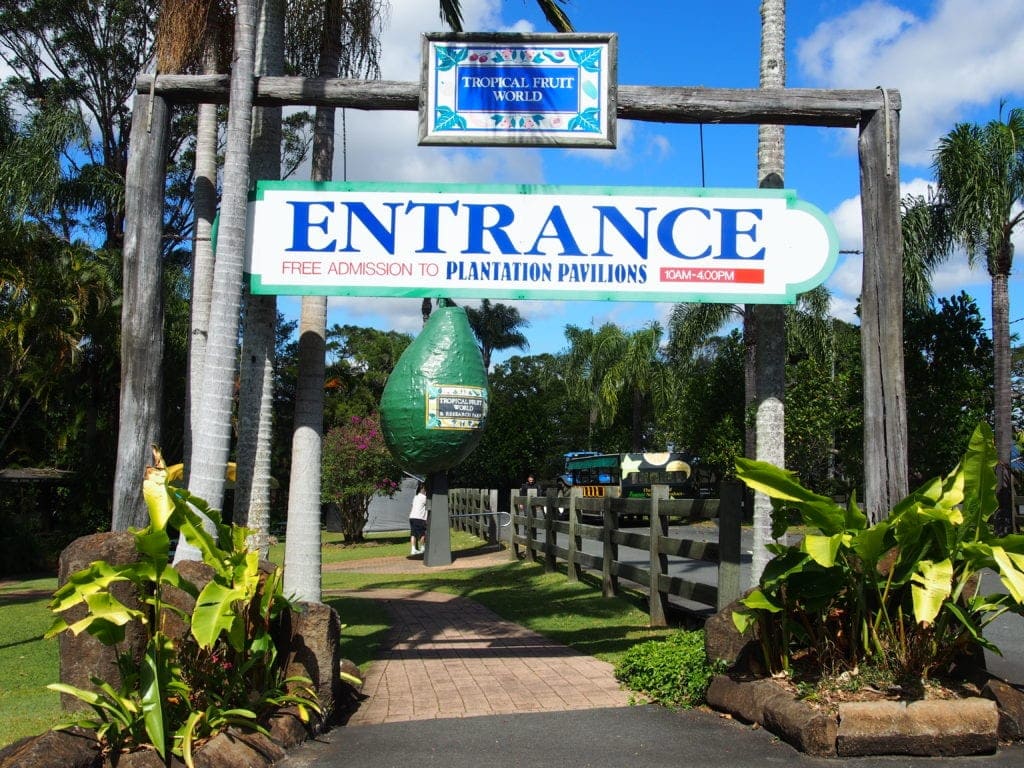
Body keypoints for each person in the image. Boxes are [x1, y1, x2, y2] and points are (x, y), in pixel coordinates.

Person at [409, 481, 428, 555]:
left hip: (412, 517)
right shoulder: (424, 498)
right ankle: (423, 548)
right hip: (419, 518)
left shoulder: (415, 497)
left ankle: (413, 549)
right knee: (422, 534)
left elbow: (412, 506)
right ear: (423, 489)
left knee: (413, 534)